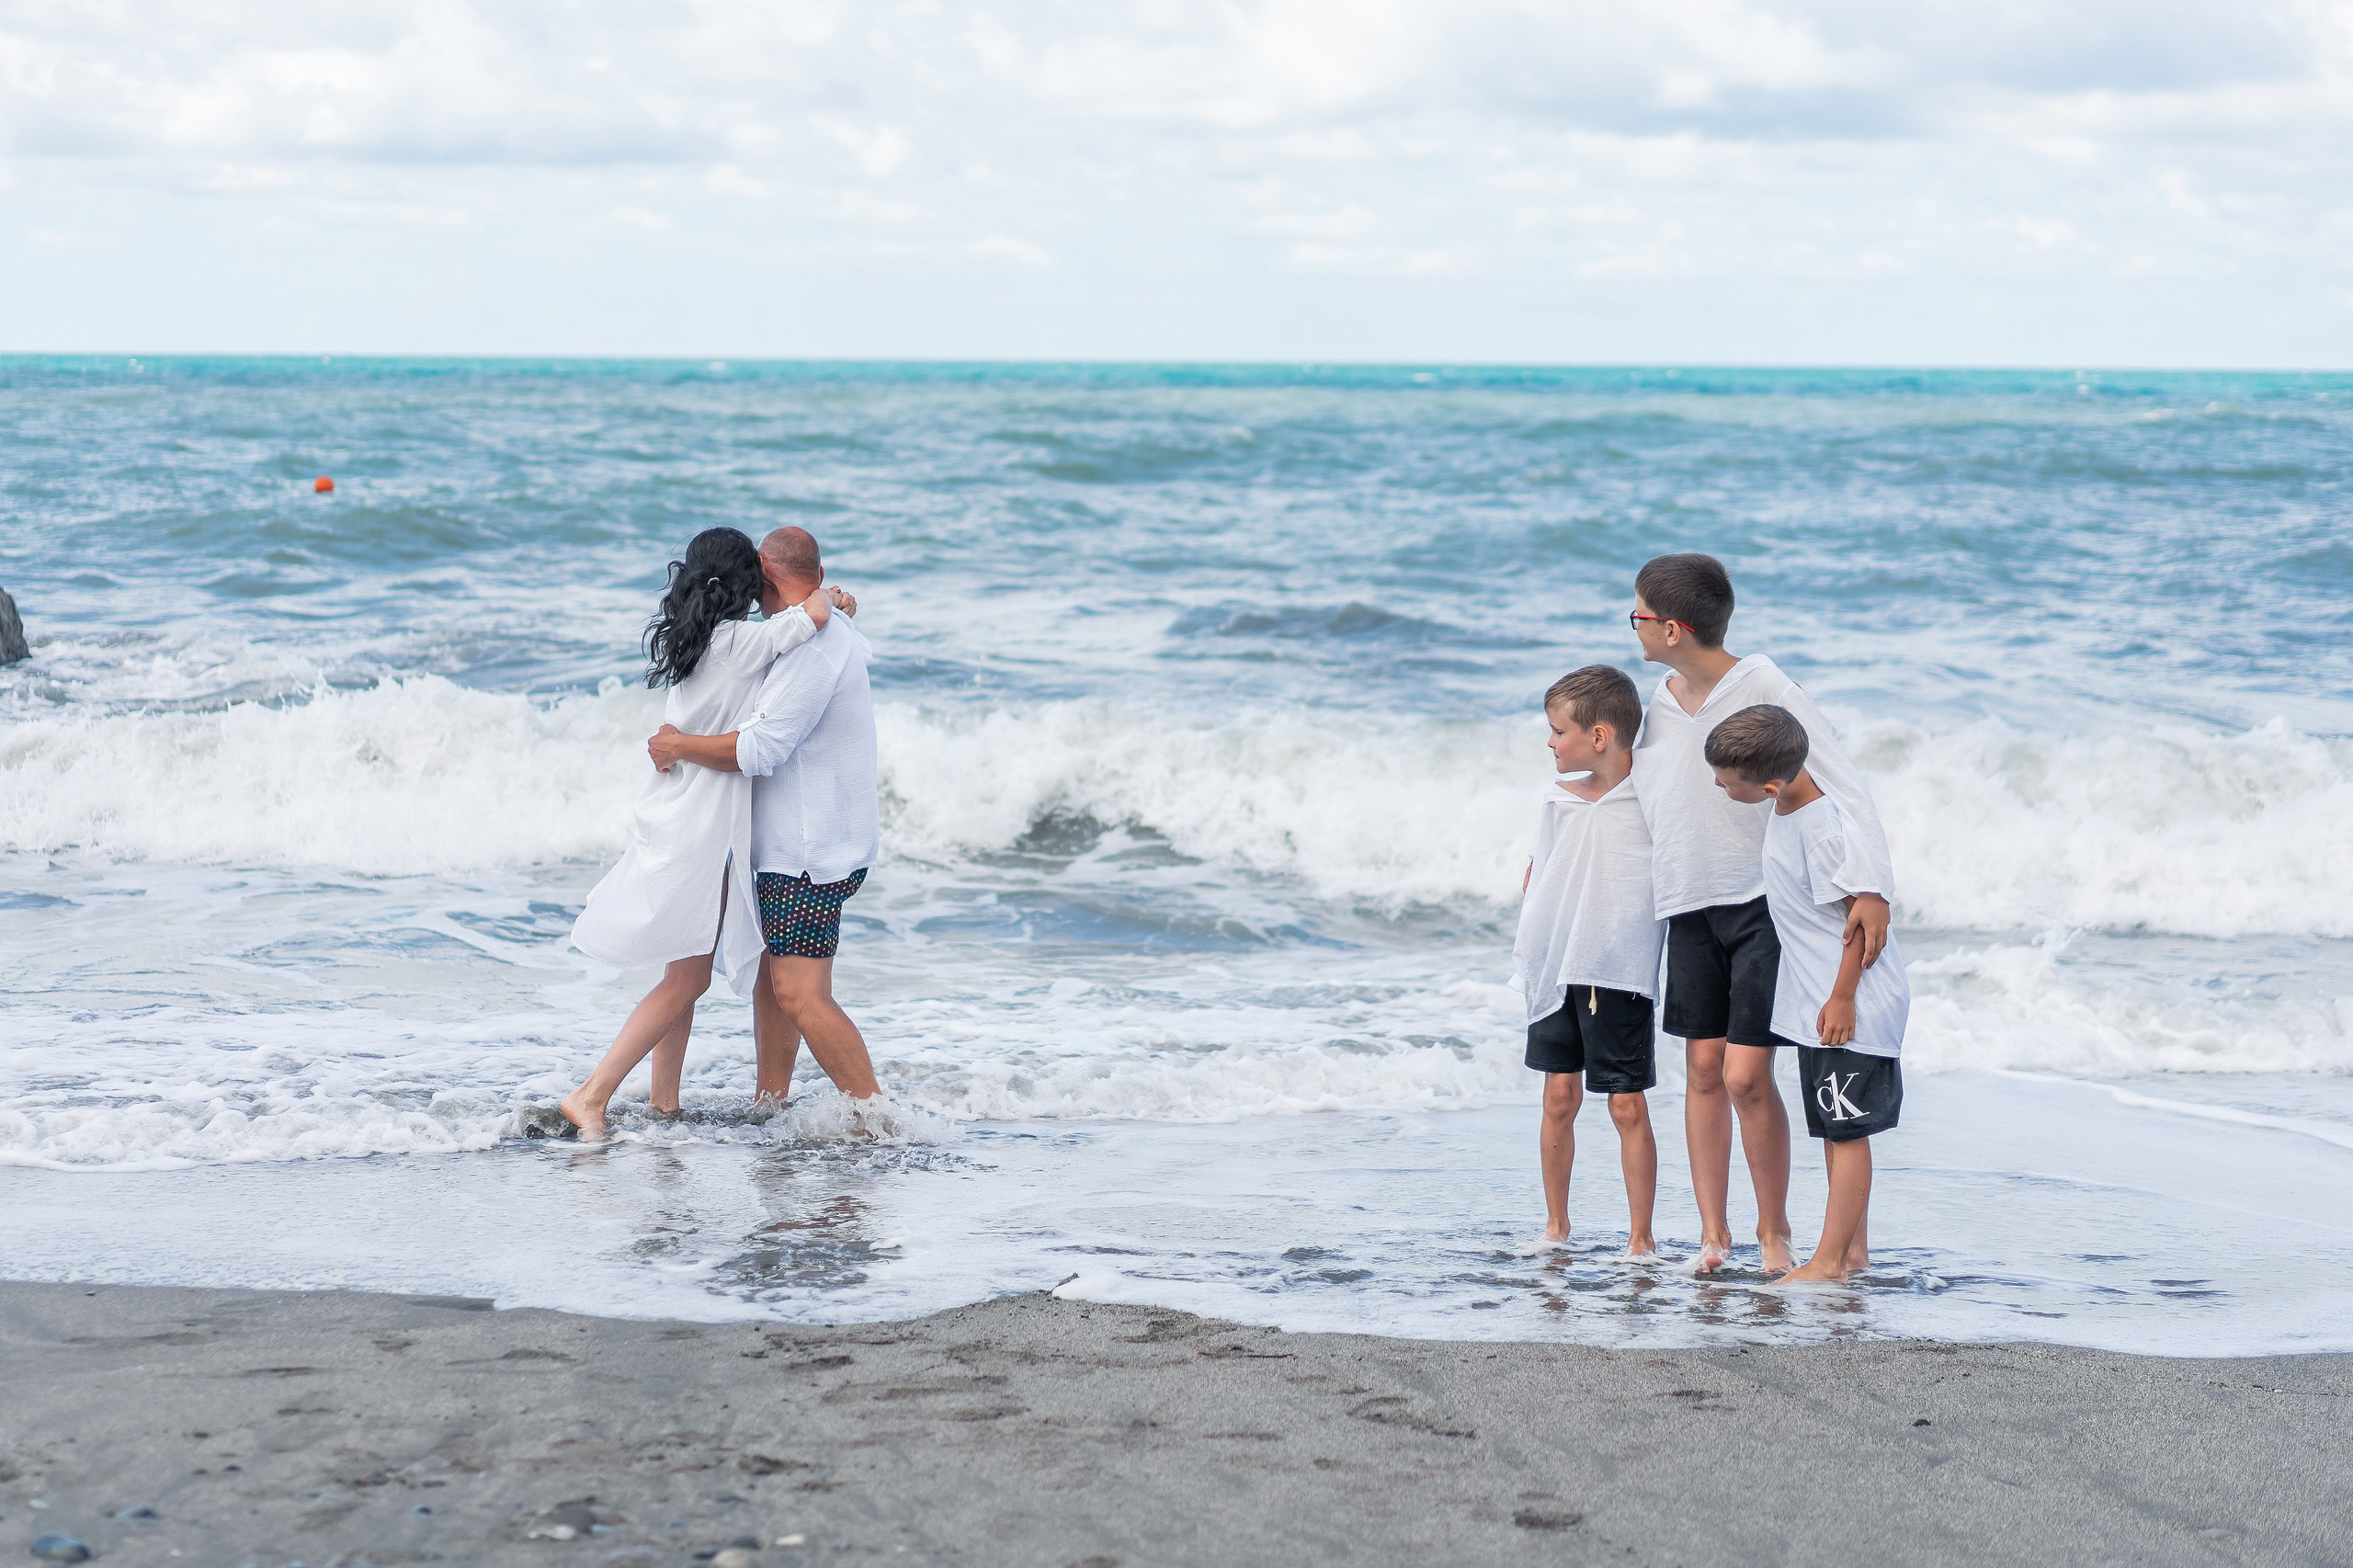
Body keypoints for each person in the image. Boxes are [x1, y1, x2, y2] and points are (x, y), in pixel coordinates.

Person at [1626, 552, 1894, 1273]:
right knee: (1703, 1070)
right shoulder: (1656, 701)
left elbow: (1842, 782)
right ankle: (1716, 1237)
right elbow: (1648, 800)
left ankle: (1774, 1232)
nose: (1633, 628)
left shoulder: (1765, 684)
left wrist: (1871, 885)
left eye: (1639, 616)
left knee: (1747, 1076)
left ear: (1674, 627)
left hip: (1760, 903)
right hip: (1686, 900)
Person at [558, 527, 847, 1141]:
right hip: (701, 829)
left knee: (678, 972)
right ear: (749, 580)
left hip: (673, 812)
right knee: (686, 978)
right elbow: (810, 616)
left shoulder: (695, 641)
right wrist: (833, 597)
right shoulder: (743, 643)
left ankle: (664, 1103)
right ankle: (591, 1095)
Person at [646, 526, 885, 1117]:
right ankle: (770, 1105)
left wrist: (679, 745)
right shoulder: (819, 628)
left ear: (764, 570)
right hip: (801, 842)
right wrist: (831, 601)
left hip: (807, 849)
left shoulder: (812, 647)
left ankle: (878, 1119)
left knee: (799, 992)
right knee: (773, 980)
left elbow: (761, 749)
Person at [1704, 704, 1908, 1282]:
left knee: (1846, 1135)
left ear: (1768, 784)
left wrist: (1842, 999)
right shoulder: (1789, 804)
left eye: (1725, 781)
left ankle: (1827, 1262)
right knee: (1835, 1130)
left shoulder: (1820, 831)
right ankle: (1852, 1254)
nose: (1718, 786)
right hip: (1824, 1003)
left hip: (1849, 1007)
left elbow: (1862, 924)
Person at [1510, 665, 1665, 1256]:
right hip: (1556, 962)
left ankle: (1641, 1238)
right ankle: (1556, 1227)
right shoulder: (1557, 799)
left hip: (1615, 970)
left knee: (1625, 1103)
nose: (1550, 742)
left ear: (1598, 736)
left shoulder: (1646, 800)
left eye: (1558, 731)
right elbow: (1539, 874)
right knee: (1558, 1097)